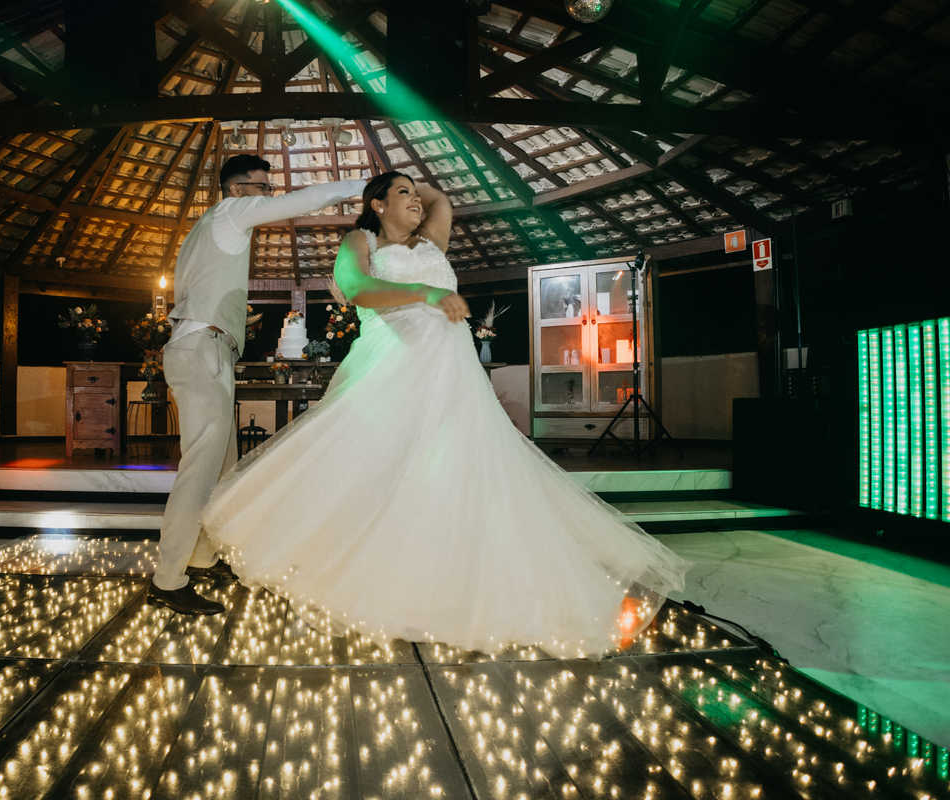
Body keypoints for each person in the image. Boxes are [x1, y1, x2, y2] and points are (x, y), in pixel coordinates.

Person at [199, 172, 690, 657]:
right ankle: (383, 584)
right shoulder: (360, 239)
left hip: (452, 373)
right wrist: (425, 290)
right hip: (395, 365)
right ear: (375, 204)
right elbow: (357, 288)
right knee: (384, 470)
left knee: (459, 474)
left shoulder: (432, 239)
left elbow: (441, 200)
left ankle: (451, 585)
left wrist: (408, 188)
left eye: (416, 194)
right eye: (402, 194)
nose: (417, 201)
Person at [149, 155, 367, 616]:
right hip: (200, 350)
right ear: (236, 190)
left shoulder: (210, 230)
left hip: (209, 349)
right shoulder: (229, 212)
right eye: (263, 188)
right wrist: (358, 184)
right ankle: (167, 579)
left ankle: (202, 557)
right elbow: (302, 200)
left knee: (222, 467)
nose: (268, 195)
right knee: (200, 470)